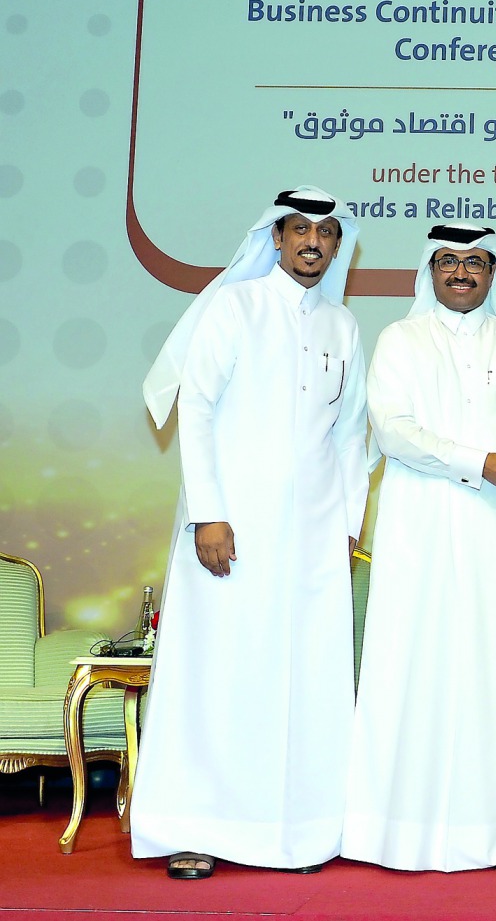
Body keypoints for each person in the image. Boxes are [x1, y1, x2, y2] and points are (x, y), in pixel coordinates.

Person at [132, 187, 369, 879]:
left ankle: (301, 832)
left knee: (304, 677)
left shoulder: (342, 327)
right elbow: (197, 407)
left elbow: (351, 434)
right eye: (300, 229)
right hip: (230, 531)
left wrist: (348, 525)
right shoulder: (235, 307)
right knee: (219, 672)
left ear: (337, 244)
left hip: (315, 537)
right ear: (276, 237)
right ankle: (195, 827)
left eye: (326, 232)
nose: (313, 242)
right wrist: (208, 511)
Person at [341, 223, 496, 873]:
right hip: (422, 532)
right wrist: (478, 461)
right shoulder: (401, 339)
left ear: (493, 273)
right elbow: (394, 431)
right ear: (430, 270)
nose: (461, 272)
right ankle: (398, 833)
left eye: (474, 263)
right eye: (448, 261)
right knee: (416, 671)